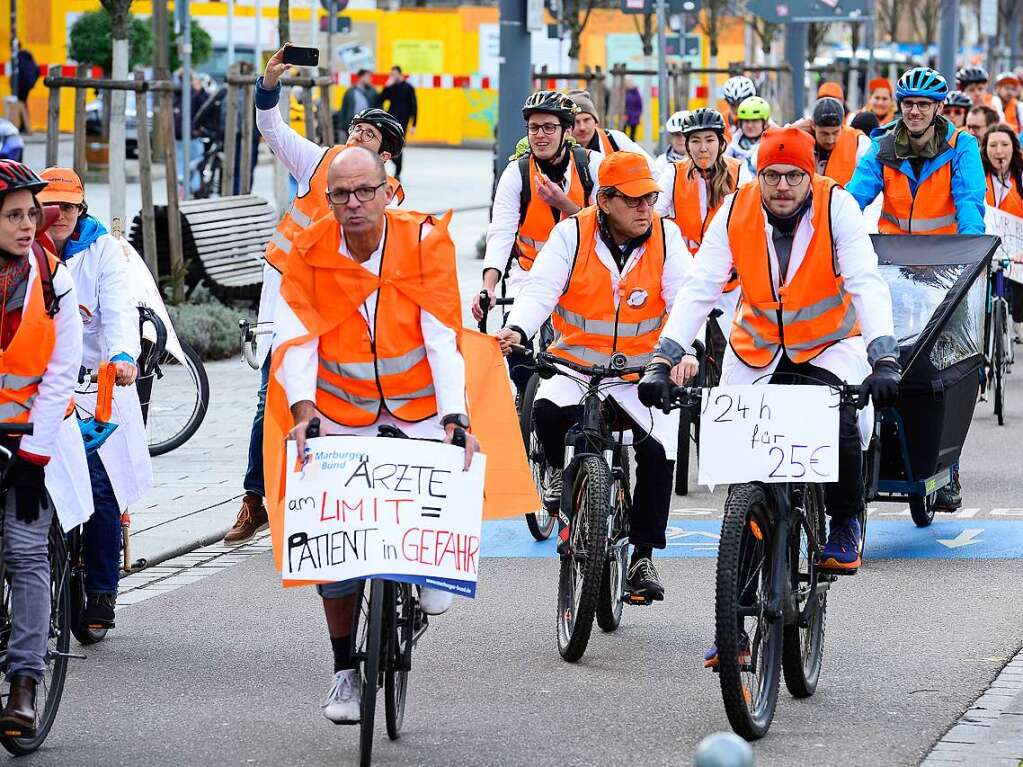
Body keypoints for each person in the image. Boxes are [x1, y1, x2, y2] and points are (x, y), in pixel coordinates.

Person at [638, 126, 899, 596]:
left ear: (811, 174)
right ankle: (733, 624)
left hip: (828, 345)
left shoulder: (837, 206)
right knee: (746, 481)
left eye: (793, 177)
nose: (782, 187)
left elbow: (866, 280)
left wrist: (883, 355)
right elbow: (701, 287)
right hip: (755, 349)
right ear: (758, 175)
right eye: (772, 176)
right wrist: (665, 357)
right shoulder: (735, 209)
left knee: (838, 413)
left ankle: (844, 521)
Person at [266, 146, 477, 723]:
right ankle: (343, 673)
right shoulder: (309, 252)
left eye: (365, 191)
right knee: (334, 545)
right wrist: (303, 408)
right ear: (328, 199)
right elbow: (297, 337)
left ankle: (430, 570)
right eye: (340, 194)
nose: (353, 203)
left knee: (436, 500)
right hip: (338, 408)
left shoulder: (425, 242)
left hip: (418, 410)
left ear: (389, 191)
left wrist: (455, 415)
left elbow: (442, 335)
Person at [221, 44, 407, 546]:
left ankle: (322, 501)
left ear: (385, 156)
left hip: (345, 308)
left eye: (367, 135)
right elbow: (272, 130)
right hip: (289, 296)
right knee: (270, 396)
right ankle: (254, 500)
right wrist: (268, 85)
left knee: (341, 401)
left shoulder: (394, 199)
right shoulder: (318, 161)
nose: (354, 137)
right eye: (354, 129)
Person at [495, 151, 697, 601]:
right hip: (576, 367)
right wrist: (518, 329)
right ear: (604, 201)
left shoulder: (667, 236)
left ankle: (643, 555)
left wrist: (682, 351)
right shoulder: (571, 234)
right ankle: (555, 470)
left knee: (659, 452)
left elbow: (685, 297)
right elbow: (541, 289)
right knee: (545, 413)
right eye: (634, 200)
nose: (646, 208)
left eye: (650, 198)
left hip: (642, 374)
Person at [847, 66, 985, 512]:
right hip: (896, 272)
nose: (915, 112)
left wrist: (969, 260)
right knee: (885, 356)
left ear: (939, 108)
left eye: (923, 106)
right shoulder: (883, 147)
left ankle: (949, 471)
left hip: (948, 273)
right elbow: (854, 198)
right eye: (908, 105)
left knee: (948, 369)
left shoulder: (961, 146)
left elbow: (969, 204)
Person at [37, 168, 152, 630]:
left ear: (81, 209)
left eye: (68, 206)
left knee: (101, 489)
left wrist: (123, 355)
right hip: (44, 384)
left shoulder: (104, 250)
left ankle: (102, 591)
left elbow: (118, 308)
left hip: (97, 382)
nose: (59, 215)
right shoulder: (28, 249)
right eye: (52, 206)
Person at [0, 161, 83, 735]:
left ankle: (25, 683)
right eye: (13, 216)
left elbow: (60, 374)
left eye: (32, 214)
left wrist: (33, 456)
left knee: (26, 555)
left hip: (33, 441)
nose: (27, 225)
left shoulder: (55, 279)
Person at [474, 91, 602, 397]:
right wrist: (489, 286)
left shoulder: (593, 166)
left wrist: (567, 205)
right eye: (534, 128)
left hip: (583, 276)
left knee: (582, 355)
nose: (540, 135)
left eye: (548, 127)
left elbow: (610, 222)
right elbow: (501, 232)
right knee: (514, 343)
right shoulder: (516, 173)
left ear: (566, 131)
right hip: (529, 274)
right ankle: (524, 395)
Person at [655, 108, 749, 252]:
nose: (703, 148)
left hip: (727, 264)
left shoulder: (739, 171)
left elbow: (750, 218)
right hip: (685, 264)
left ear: (721, 143)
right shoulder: (673, 172)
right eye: (696, 141)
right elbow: (653, 213)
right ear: (687, 146)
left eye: (710, 140)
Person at [982, 125, 1023, 339]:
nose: (999, 151)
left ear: (1014, 148)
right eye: (993, 145)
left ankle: (1018, 319)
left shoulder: (1020, 177)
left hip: (1018, 246)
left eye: (1005, 145)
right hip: (987, 243)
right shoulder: (978, 176)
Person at [567, 89, 654, 169]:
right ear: (568, 126)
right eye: (576, 122)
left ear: (596, 122)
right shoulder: (560, 148)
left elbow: (649, 167)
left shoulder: (616, 139)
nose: (582, 127)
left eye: (587, 120)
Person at [804, 96, 871, 185]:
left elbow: (869, 182)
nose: (830, 140)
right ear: (813, 126)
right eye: (824, 134)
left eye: (835, 132)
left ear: (842, 125)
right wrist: (792, 128)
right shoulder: (800, 140)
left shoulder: (860, 142)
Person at [379, 66, 417, 180]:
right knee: (386, 144)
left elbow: (414, 106)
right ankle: (392, 164)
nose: (393, 76)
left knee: (399, 146)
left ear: (400, 74)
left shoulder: (408, 88)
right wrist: (386, 86)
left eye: (395, 74)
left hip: (403, 122)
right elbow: (381, 99)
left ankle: (398, 172)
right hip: (390, 120)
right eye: (391, 74)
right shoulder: (391, 87)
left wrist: (414, 124)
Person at [725, 95, 770, 176]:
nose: (749, 125)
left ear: (765, 123)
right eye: (746, 121)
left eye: (755, 121)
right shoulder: (732, 147)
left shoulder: (772, 144)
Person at [336, 69, 378, 142]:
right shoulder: (350, 92)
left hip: (367, 124)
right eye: (368, 77)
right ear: (361, 77)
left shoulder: (372, 92)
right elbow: (344, 109)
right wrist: (341, 127)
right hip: (351, 123)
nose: (370, 79)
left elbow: (378, 106)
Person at [9, 50, 38, 136]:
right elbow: (37, 70)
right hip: (27, 86)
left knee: (21, 104)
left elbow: (16, 74)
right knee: (23, 104)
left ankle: (24, 127)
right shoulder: (28, 59)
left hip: (20, 86)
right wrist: (32, 83)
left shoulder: (19, 59)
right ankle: (24, 126)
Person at [720, 75, 757, 141]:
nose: (737, 109)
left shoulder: (761, 120)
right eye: (733, 105)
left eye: (741, 105)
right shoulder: (721, 121)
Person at [654, 110, 690, 175]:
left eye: (685, 135)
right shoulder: (661, 162)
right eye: (677, 134)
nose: (681, 138)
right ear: (671, 137)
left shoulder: (700, 161)